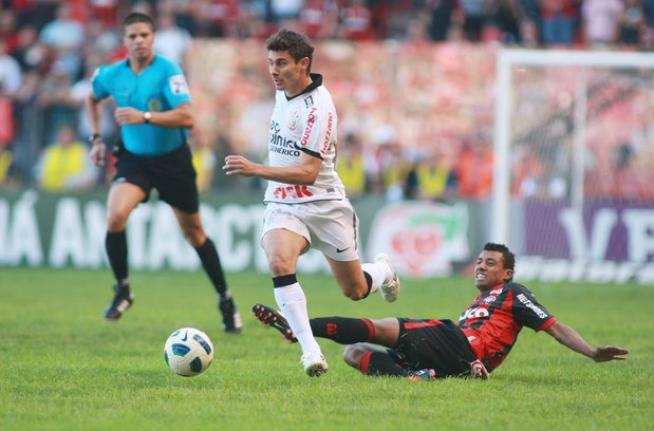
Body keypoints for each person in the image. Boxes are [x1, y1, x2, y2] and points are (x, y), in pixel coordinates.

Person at [222, 28, 400, 377]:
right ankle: (310, 351)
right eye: (271, 62)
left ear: (304, 64)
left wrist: (255, 168)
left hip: (326, 204)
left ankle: (383, 271)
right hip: (283, 203)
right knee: (279, 260)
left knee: (355, 290)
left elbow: (307, 172)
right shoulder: (282, 91)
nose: (274, 70)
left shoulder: (319, 108)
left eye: (282, 63)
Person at [253, 243, 629, 380]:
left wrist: (593, 353)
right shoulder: (480, 301)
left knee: (381, 327)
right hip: (456, 359)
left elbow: (554, 326)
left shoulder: (513, 293)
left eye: (491, 263)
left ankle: (297, 328)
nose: (481, 266)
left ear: (507, 273)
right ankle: (419, 375)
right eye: (480, 261)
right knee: (353, 354)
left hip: (463, 348)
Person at [86, 12, 241, 333]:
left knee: (194, 233)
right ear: (124, 41)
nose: (139, 41)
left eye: (145, 35)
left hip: (173, 161)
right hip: (134, 159)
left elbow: (187, 117)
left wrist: (144, 116)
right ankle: (123, 289)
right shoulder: (111, 74)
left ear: (153, 38)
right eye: (133, 36)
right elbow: (91, 97)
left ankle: (226, 300)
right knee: (115, 216)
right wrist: (97, 139)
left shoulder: (168, 71)